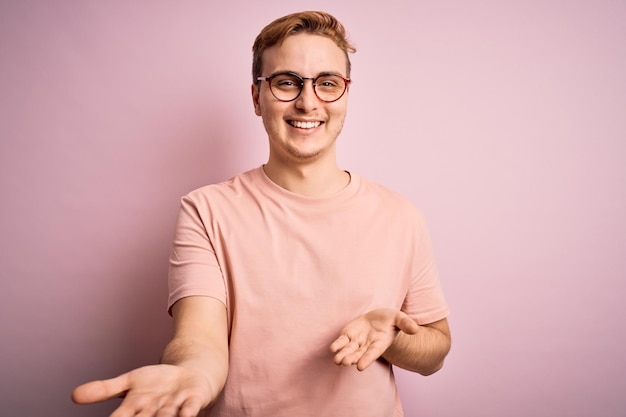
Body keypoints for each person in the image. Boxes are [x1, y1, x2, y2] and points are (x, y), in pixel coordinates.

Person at [72, 10, 451, 417]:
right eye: (287, 83)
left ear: (345, 94)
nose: (308, 102)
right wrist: (192, 373)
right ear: (257, 97)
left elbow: (435, 350)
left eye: (327, 84)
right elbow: (199, 336)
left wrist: (393, 339)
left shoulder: (400, 215)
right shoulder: (207, 211)